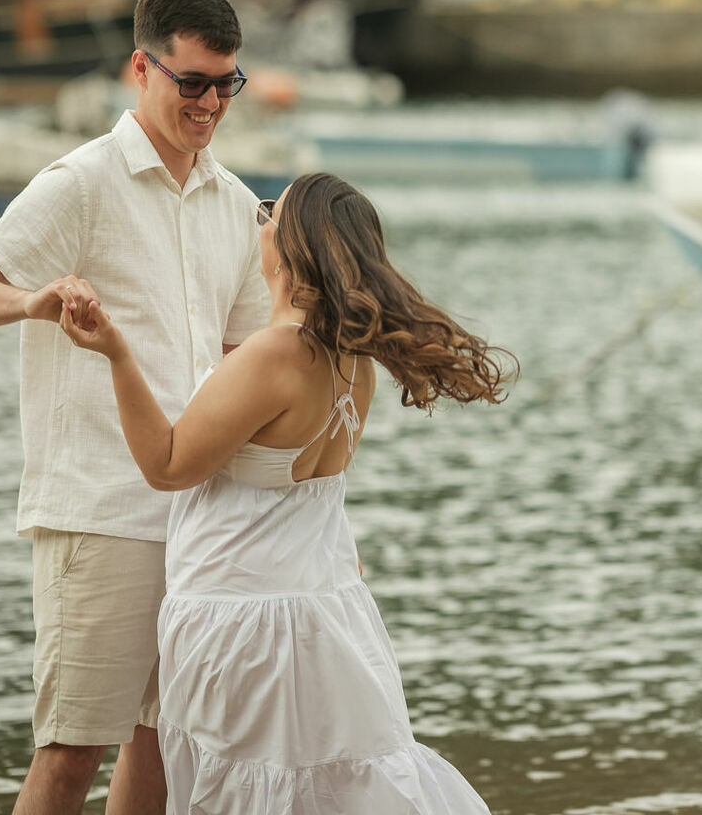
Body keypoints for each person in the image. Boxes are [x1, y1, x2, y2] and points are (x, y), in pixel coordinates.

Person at [54, 171, 515, 815]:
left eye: (271, 213)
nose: (260, 225)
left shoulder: (273, 355)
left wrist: (117, 354)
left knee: (249, 796)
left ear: (294, 248)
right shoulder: (354, 364)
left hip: (244, 621)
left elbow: (165, 464)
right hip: (324, 615)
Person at [0, 0, 270, 815]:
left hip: (202, 517)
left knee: (164, 744)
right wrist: (31, 301)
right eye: (191, 82)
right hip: (100, 509)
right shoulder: (80, 182)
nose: (210, 103)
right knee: (71, 750)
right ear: (141, 69)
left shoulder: (235, 202)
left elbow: (248, 358)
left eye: (225, 83)